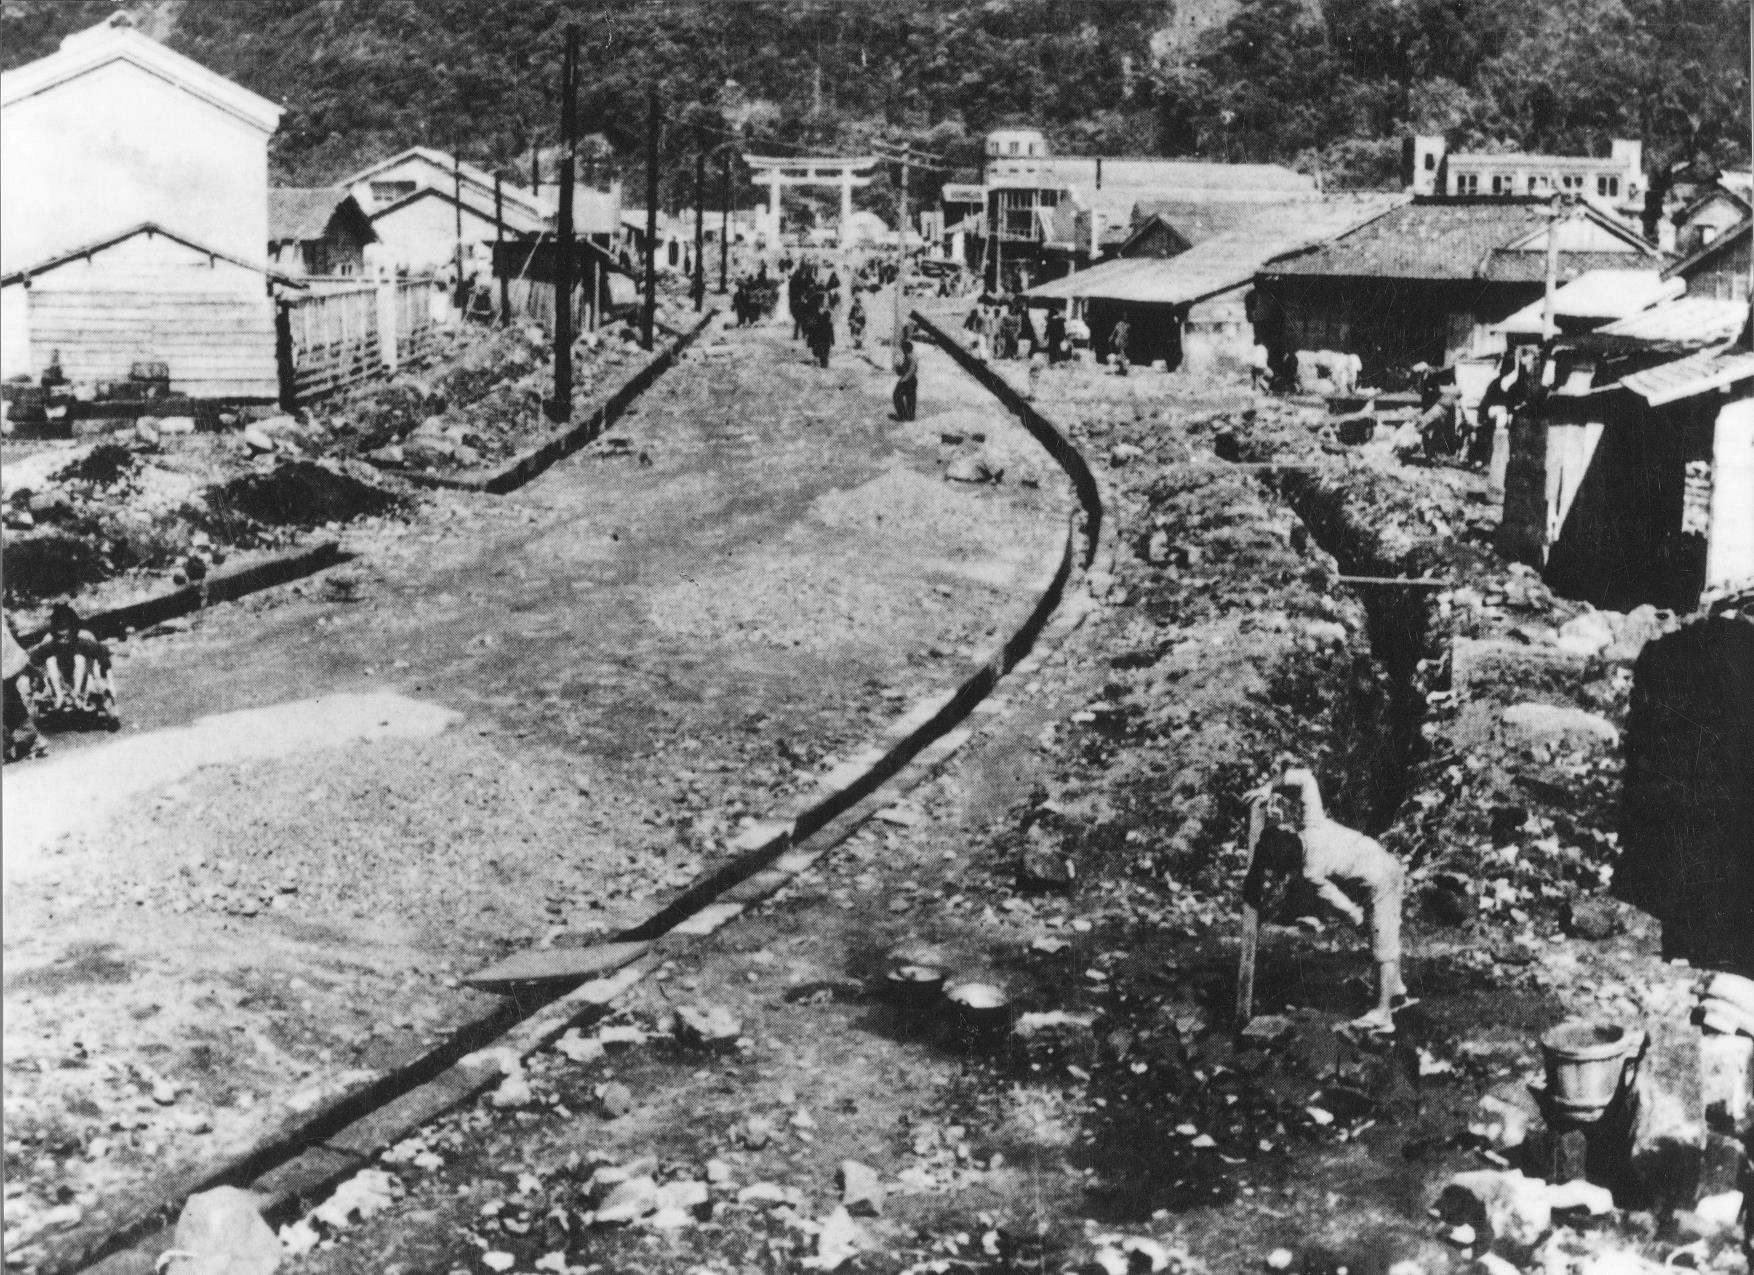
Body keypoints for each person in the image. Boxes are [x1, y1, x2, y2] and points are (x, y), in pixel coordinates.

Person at [1248, 765, 1409, 1033]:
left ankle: (1383, 1015)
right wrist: (1270, 786)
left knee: (1383, 948)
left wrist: (1357, 919)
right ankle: (1396, 989)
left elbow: (1345, 907)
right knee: (1386, 933)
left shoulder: (1311, 873)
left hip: (1379, 882)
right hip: (1384, 861)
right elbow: (1305, 777)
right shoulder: (1314, 823)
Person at [28, 603, 116, 720]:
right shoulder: (50, 643)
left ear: (73, 630)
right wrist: (38, 681)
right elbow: (34, 660)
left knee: (80, 659)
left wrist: (108, 682)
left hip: (82, 679)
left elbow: (102, 654)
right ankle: (59, 697)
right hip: (61, 680)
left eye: (67, 636)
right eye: (60, 636)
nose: (64, 640)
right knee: (50, 661)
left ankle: (78, 696)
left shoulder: (83, 640)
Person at [3, 617, 43, 762]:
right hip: (9, 662)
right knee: (11, 705)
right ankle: (32, 740)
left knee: (8, 704)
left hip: (8, 662)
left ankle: (30, 740)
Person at [893, 337, 919, 422]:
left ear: (905, 349)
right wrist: (898, 367)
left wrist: (903, 380)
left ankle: (903, 415)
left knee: (897, 395)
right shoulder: (908, 356)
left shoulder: (911, 357)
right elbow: (903, 371)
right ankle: (909, 416)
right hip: (911, 380)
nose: (902, 350)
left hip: (909, 380)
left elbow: (911, 370)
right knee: (910, 398)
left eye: (903, 348)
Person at [1109, 312, 1132, 376]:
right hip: (1119, 341)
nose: (1125, 317)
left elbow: (1129, 333)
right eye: (1124, 316)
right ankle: (1123, 369)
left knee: (1122, 354)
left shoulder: (1128, 325)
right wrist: (1111, 336)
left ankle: (1122, 369)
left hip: (1125, 342)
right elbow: (1115, 331)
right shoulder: (1119, 323)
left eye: (1126, 316)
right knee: (1122, 354)